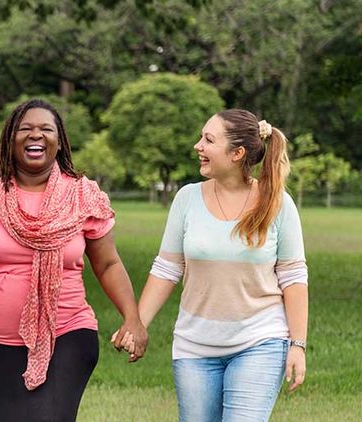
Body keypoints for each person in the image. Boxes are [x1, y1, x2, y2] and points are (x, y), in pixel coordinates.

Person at [0, 98, 147, 422]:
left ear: (59, 141)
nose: (35, 135)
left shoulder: (82, 195)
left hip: (66, 336)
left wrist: (132, 317)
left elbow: (108, 264)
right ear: (10, 139)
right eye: (25, 129)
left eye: (45, 129)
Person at [126, 109, 308, 421]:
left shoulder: (277, 202)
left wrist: (298, 345)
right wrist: (137, 325)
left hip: (259, 341)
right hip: (194, 347)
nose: (198, 146)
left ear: (237, 153)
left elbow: (293, 277)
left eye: (208, 140)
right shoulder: (186, 199)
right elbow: (167, 268)